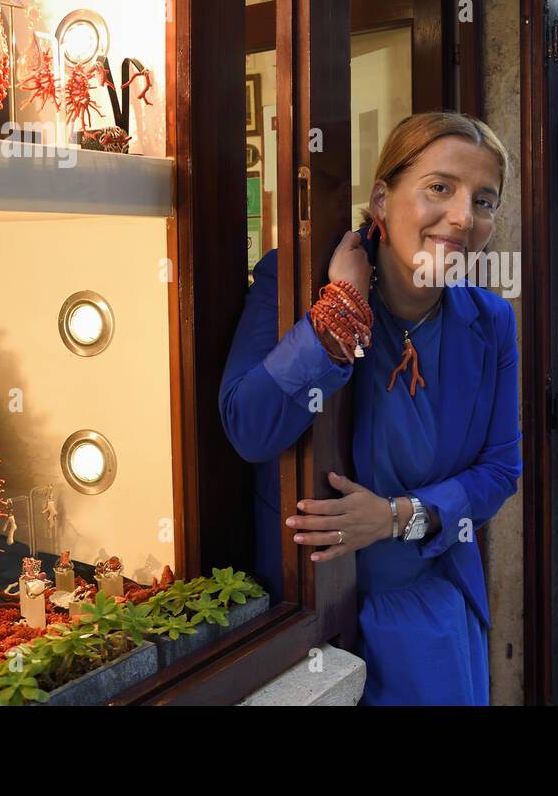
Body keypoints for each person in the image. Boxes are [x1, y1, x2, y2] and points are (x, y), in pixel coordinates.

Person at [219, 111, 522, 705]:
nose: (462, 217)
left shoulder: (491, 323)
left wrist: (396, 516)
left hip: (429, 614)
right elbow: (248, 429)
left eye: (483, 201)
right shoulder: (292, 282)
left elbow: (500, 469)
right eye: (440, 188)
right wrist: (340, 314)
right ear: (382, 199)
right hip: (304, 614)